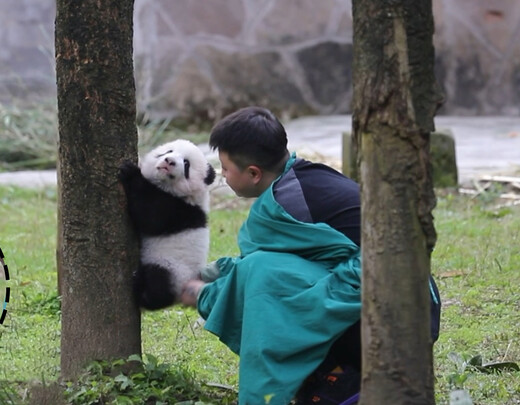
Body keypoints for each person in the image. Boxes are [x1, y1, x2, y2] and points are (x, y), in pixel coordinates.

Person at [180, 106, 441, 405]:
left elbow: (254, 271)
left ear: (253, 173)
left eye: (226, 169)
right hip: (418, 312)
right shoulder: (302, 178)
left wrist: (204, 293)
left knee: (262, 279)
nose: (222, 176)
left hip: (391, 322)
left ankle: (338, 383)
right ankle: (334, 375)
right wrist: (201, 273)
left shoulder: (283, 203)